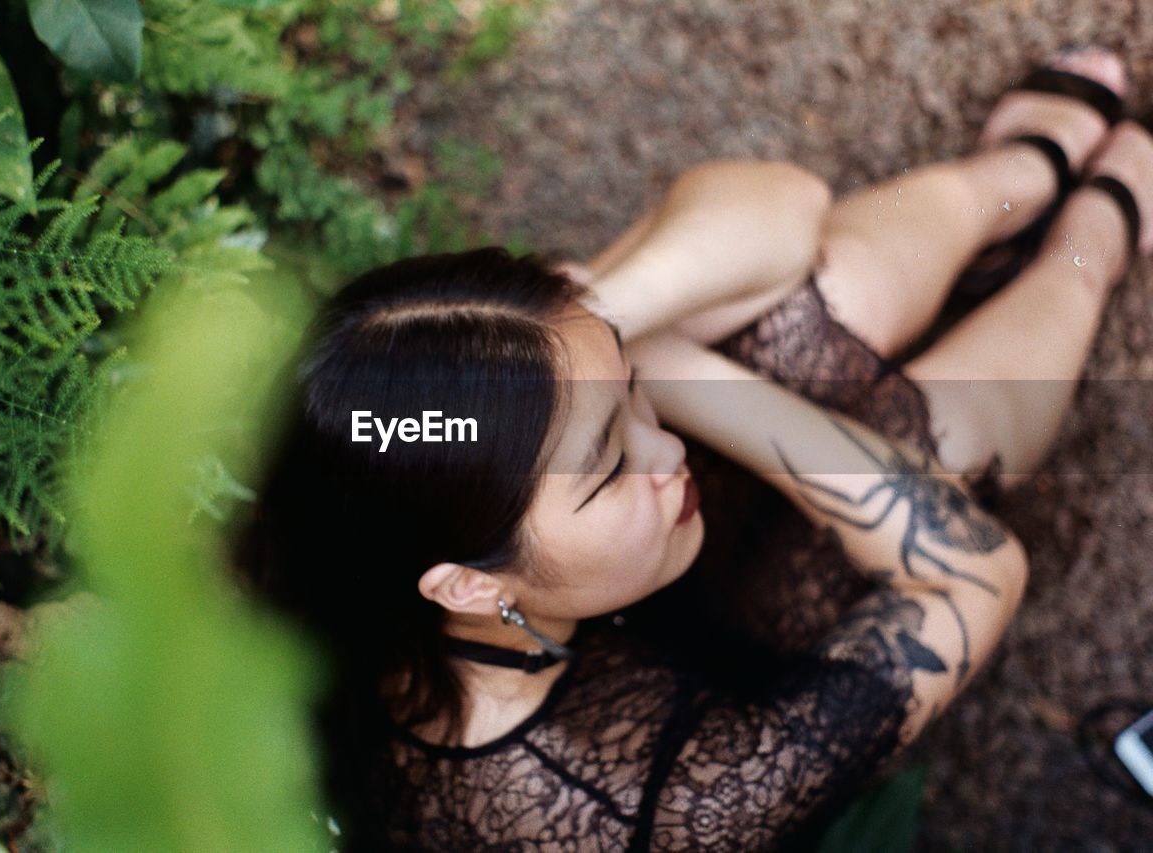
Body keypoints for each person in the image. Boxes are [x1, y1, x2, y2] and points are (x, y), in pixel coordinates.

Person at [230, 46, 1153, 851]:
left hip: (605, 584)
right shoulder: (653, 806)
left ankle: (1022, 172)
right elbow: (976, 574)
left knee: (821, 296)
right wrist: (690, 377)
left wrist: (614, 330)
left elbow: (786, 206)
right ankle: (1093, 235)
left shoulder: (365, 491)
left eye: (635, 401)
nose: (661, 450)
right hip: (731, 675)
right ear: (467, 581)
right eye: (609, 463)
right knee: (938, 438)